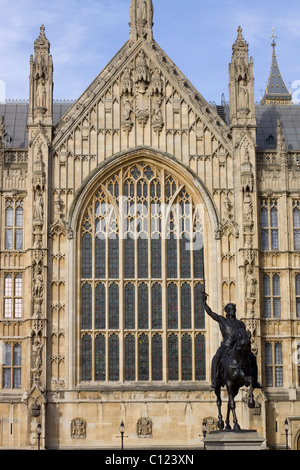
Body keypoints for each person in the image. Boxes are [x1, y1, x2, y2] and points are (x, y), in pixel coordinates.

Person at [203, 296, 261, 390]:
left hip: (237, 347)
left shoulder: (240, 323)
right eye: (230, 309)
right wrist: (204, 303)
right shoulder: (222, 320)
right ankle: (215, 379)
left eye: (233, 309)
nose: (232, 310)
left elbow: (244, 335)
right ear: (226, 311)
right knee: (217, 357)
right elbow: (211, 313)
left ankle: (255, 380)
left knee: (252, 358)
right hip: (226, 346)